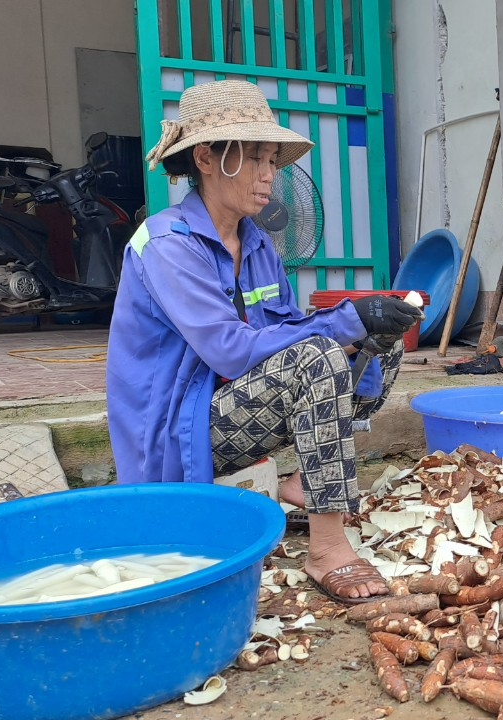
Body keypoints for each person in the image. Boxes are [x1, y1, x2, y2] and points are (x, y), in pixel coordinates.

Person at [106, 79, 422, 604]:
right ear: (206, 158)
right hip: (174, 433)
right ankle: (326, 549)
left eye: (273, 161)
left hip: (229, 409)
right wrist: (338, 325)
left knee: (380, 343)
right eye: (256, 159)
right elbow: (231, 349)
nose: (270, 176)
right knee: (320, 353)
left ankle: (307, 481)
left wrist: (361, 327)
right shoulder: (165, 245)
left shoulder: (255, 244)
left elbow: (281, 329)